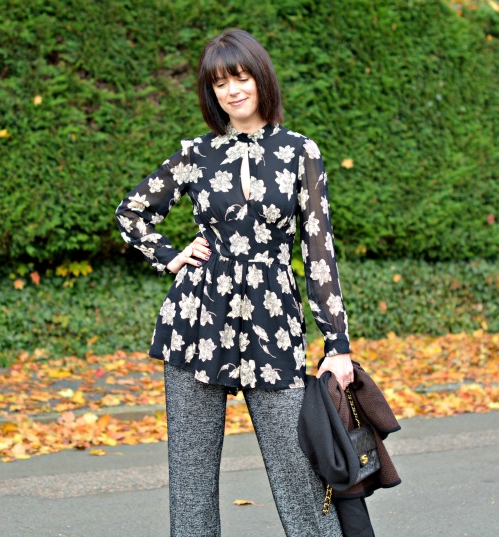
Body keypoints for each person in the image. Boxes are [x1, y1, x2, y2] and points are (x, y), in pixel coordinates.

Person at [115, 28, 354, 537]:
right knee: (192, 481)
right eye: (220, 82)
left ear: (260, 78)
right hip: (197, 319)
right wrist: (173, 256)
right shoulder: (196, 153)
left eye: (241, 76)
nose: (232, 90)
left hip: (273, 321)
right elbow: (132, 212)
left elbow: (318, 251)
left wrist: (338, 344)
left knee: (300, 472)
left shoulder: (299, 152)